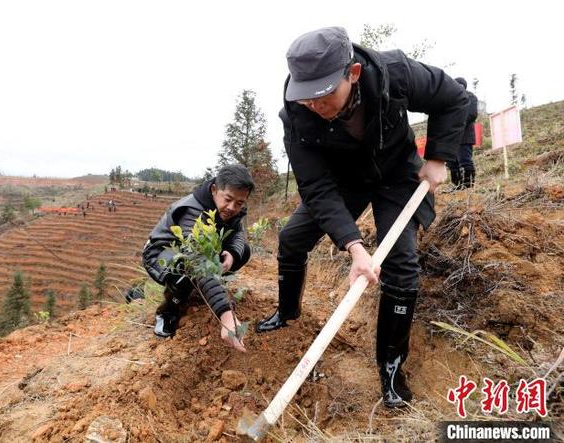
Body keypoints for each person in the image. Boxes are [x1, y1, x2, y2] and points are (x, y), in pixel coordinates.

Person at [255, 27, 469, 408]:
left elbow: (453, 98)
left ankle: (391, 367)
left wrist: (437, 157)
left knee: (402, 263)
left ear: (352, 73)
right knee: (292, 239)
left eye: (323, 95)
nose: (314, 106)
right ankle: (287, 312)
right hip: (343, 182)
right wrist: (353, 245)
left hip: (396, 176)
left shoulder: (394, 72)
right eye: (306, 98)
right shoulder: (296, 115)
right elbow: (316, 186)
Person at [142, 164, 254, 351]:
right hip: (162, 253)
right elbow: (196, 258)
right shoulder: (192, 211)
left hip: (195, 253)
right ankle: (168, 312)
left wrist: (233, 254)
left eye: (240, 203)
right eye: (228, 199)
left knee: (244, 251)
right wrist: (226, 315)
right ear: (214, 190)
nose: (232, 207)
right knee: (186, 267)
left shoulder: (233, 209)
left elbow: (237, 234)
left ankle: (203, 289)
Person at [446, 77, 479, 188]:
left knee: (465, 160)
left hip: (465, 135)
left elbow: (472, 114)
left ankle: (468, 185)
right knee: (452, 163)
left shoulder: (470, 97)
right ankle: (457, 185)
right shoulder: (450, 99)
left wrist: (455, 123)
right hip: (452, 137)